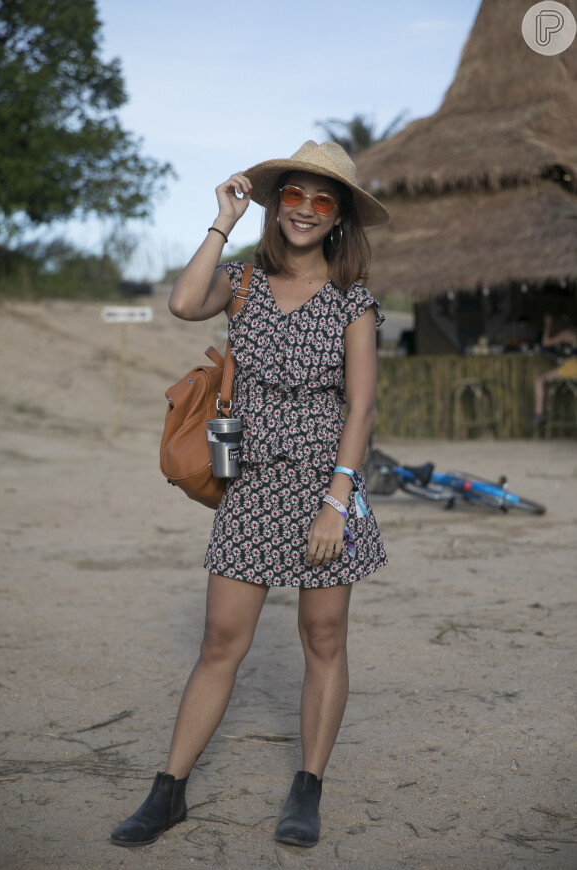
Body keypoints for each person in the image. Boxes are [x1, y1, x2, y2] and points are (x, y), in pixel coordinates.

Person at [110, 140, 390, 850]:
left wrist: (335, 503)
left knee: (323, 638)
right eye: (292, 195)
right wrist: (223, 220)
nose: (303, 209)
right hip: (253, 487)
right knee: (218, 643)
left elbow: (359, 409)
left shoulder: (352, 300)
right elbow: (179, 303)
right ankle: (168, 789)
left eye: (321, 200)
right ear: (276, 204)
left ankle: (308, 785)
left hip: (326, 489)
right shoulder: (239, 282)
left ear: (339, 219)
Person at [532, 313, 577, 426]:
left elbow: (546, 342)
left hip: (573, 365)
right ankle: (544, 411)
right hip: (571, 365)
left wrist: (547, 325)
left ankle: (539, 413)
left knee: (539, 380)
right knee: (546, 380)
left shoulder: (566, 332)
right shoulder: (572, 332)